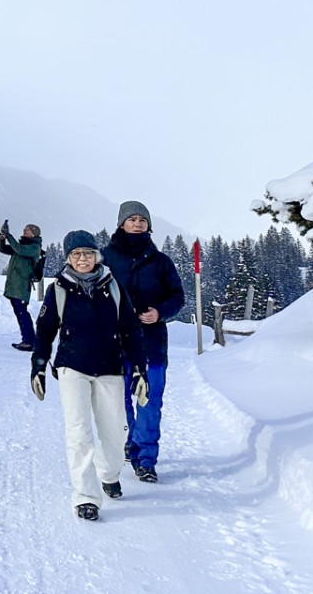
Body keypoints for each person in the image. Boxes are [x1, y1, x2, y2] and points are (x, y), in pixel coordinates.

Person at [30, 230, 148, 521]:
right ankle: (85, 496)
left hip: (110, 367)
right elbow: (45, 329)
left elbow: (131, 329)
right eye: (76, 254)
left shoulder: (113, 286)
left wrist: (139, 369)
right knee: (79, 432)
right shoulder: (58, 289)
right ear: (69, 258)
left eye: (88, 253)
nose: (83, 259)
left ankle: (108, 473)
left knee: (114, 430)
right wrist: (39, 365)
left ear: (97, 256)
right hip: (72, 367)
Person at [100, 200, 185, 483]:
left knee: (150, 401)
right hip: (115, 344)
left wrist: (159, 312)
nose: (137, 223)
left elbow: (177, 296)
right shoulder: (105, 258)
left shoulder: (161, 261)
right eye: (132, 219)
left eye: (142, 219)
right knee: (118, 400)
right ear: (121, 223)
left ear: (148, 225)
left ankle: (146, 458)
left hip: (152, 345)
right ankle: (129, 440)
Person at [0, 220, 43, 350]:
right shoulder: (22, 245)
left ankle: (29, 341)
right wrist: (2, 237)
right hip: (15, 286)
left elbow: (19, 249)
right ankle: (29, 340)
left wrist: (9, 235)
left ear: (33, 234)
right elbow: (2, 249)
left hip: (21, 286)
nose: (24, 231)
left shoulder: (34, 248)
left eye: (27, 230)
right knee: (20, 313)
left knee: (22, 313)